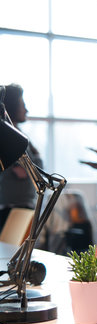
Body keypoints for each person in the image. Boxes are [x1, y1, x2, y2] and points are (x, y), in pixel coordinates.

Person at [0, 84, 43, 231]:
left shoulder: (18, 136)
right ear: (10, 106)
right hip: (13, 207)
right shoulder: (8, 138)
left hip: (21, 205)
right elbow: (23, 172)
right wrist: (37, 160)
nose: (26, 110)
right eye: (22, 105)